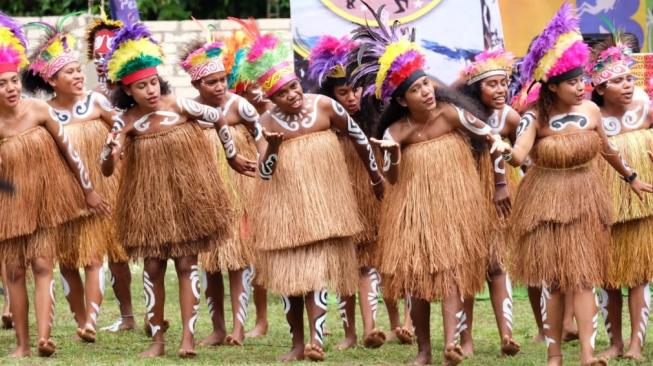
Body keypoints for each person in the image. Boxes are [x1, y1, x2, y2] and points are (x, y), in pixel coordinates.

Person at [350, 3, 510, 364]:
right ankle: (424, 350)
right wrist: (389, 154)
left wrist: (500, 182)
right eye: (417, 89)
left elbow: (491, 139)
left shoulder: (452, 114)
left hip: (455, 206)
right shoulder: (396, 131)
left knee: (452, 272)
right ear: (401, 99)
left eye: (426, 83)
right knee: (417, 280)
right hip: (414, 210)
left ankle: (451, 343)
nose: (426, 92)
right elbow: (390, 178)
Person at [501, 3, 653, 365]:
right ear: (553, 85)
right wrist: (502, 151)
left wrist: (631, 178)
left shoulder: (591, 112)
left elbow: (608, 148)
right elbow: (520, 155)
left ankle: (586, 353)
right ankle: (554, 354)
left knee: (584, 278)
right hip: (548, 204)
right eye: (573, 83)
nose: (582, 87)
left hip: (587, 200)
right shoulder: (533, 117)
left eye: (583, 80)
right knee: (555, 281)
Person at [101, 22, 254, 358]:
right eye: (142, 87)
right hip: (149, 200)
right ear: (128, 91)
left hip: (188, 196)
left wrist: (232, 158)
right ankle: (157, 341)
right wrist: (108, 154)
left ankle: (187, 337)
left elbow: (217, 117)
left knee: (187, 265)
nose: (151, 91)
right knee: (153, 267)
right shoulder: (124, 122)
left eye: (154, 82)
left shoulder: (179, 105)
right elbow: (107, 167)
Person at [240, 30, 384, 362]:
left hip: (323, 205)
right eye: (282, 93)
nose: (292, 96)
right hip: (285, 208)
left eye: (293, 88)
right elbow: (264, 172)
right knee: (292, 279)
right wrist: (273, 149)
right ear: (272, 98)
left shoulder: (324, 106)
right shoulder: (265, 123)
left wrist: (374, 176)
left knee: (316, 273)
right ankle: (295, 342)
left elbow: (359, 138)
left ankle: (315, 341)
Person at [0, 12, 110, 357]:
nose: (10, 88)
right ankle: (22, 345)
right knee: (15, 272)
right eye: (1, 84)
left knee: (44, 265)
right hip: (10, 204)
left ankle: (45, 337)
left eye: (13, 81)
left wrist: (88, 190)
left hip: (45, 199)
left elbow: (70, 153)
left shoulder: (38, 111)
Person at [306, 33, 413, 349]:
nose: (352, 97)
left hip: (382, 195)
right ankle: (360, 330)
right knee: (353, 264)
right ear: (330, 95)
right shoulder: (324, 123)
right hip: (345, 198)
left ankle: (402, 324)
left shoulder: (380, 119)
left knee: (390, 260)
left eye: (356, 89)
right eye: (343, 92)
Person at [179, 34, 259, 347]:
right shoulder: (189, 111)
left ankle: (238, 329)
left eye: (222, 79)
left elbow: (263, 138)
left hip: (239, 192)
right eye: (211, 82)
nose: (219, 86)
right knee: (210, 262)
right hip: (204, 194)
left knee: (238, 260)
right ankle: (217, 327)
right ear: (197, 85)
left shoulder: (241, 106)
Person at [589, 37, 653, 361]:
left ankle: (635, 346)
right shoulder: (592, 119)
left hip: (642, 208)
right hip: (604, 210)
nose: (626, 85)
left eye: (629, 78)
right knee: (608, 278)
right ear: (599, 88)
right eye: (617, 80)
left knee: (640, 276)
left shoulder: (646, 110)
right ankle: (614, 343)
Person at [457, 47, 521, 357]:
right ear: (475, 87)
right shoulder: (460, 115)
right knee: (468, 266)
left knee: (497, 264)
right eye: (491, 84)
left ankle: (507, 335)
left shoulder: (510, 116)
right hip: (468, 196)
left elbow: (522, 157)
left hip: (501, 200)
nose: (500, 89)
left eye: (503, 82)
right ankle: (465, 341)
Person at [84, 14, 136, 333]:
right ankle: (126, 317)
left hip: (128, 178)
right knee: (112, 251)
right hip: (101, 179)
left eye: (109, 58)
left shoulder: (130, 98)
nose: (103, 64)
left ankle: (142, 315)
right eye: (99, 58)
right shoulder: (93, 96)